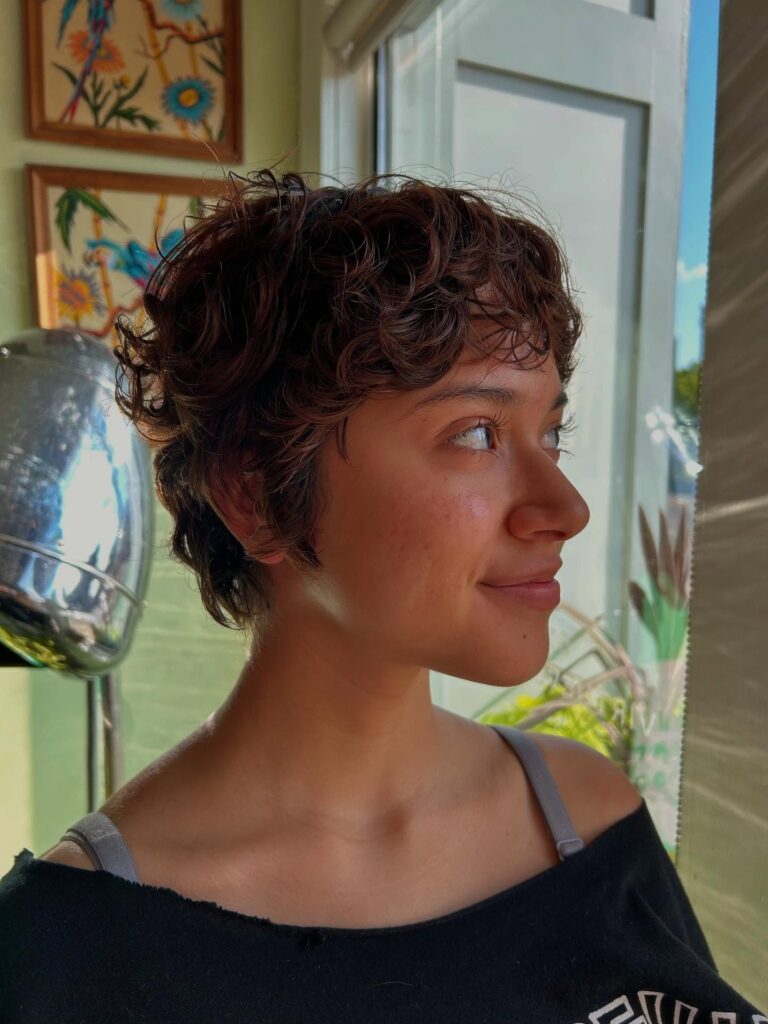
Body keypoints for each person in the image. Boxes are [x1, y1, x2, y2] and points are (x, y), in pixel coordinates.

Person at [1, 168, 764, 1022]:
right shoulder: (66, 954)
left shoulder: (589, 822)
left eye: (551, 431)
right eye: (476, 432)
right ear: (256, 493)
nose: (567, 509)